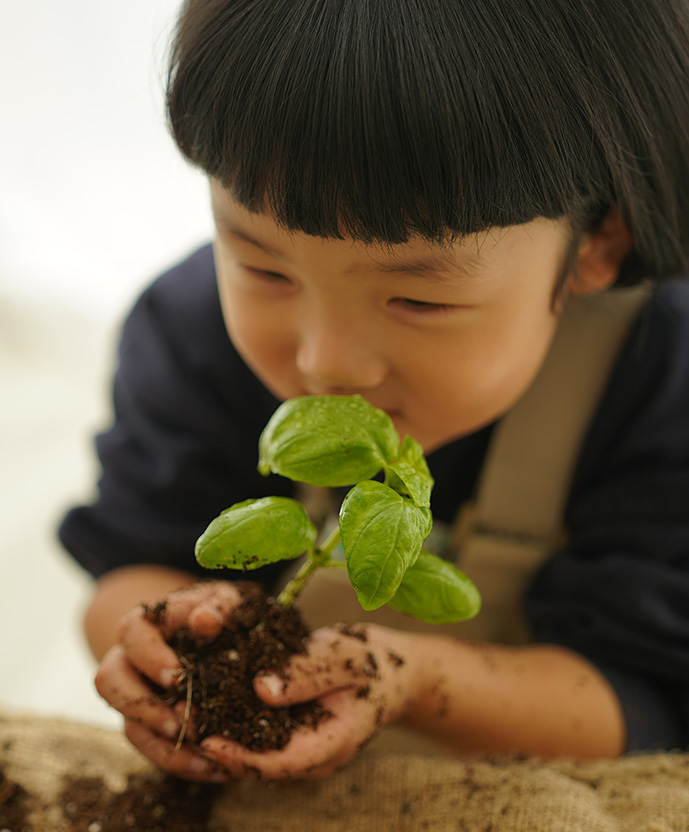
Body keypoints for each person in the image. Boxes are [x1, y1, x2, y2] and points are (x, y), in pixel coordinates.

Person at [59, 0, 689, 782]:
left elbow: (644, 699)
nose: (326, 364)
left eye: (418, 300)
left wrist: (412, 678)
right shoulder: (189, 332)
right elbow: (131, 561)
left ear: (598, 242)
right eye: (261, 267)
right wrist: (156, 638)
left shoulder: (660, 376)